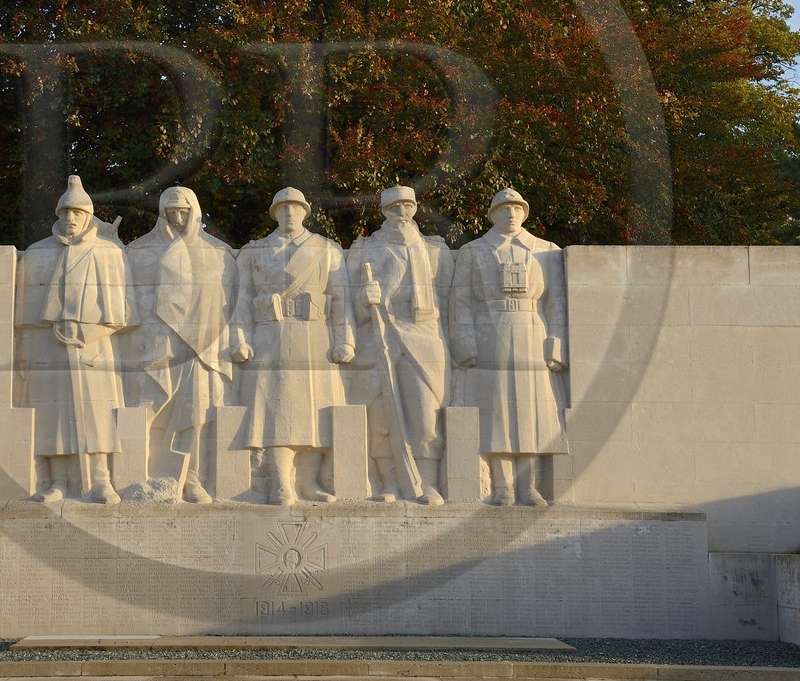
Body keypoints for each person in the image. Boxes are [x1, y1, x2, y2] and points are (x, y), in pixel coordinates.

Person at [232, 188, 355, 505]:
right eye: (283, 207)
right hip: (271, 335)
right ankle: (281, 484)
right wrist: (240, 339)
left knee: (315, 414)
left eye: (295, 207)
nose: (289, 212)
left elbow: (341, 301)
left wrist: (345, 339)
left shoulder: (326, 250)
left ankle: (309, 483)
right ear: (274, 213)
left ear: (305, 211)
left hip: (314, 336)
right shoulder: (255, 252)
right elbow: (242, 301)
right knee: (278, 411)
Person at [15, 175, 133, 504]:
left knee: (97, 413)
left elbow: (122, 312)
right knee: (52, 414)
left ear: (88, 216)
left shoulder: (107, 253)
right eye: (65, 213)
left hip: (93, 345)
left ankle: (101, 480)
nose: (70, 219)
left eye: (77, 213)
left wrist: (88, 331)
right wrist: (24, 350)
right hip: (48, 347)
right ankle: (56, 482)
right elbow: (23, 314)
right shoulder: (37, 254)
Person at [450, 188, 568, 506]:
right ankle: (502, 485)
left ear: (524, 213)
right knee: (497, 409)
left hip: (532, 330)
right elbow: (460, 301)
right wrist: (465, 343)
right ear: (493, 215)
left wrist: (555, 346)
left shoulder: (547, 251)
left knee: (532, 411)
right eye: (504, 209)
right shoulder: (473, 251)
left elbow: (556, 303)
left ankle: (528, 486)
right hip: (492, 330)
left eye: (516, 208)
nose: (511, 213)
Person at [125, 186, 235, 504]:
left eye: (183, 211)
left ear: (194, 212)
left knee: (196, 415)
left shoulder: (218, 253)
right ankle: (137, 478)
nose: (177, 217)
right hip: (156, 346)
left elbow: (229, 305)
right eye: (170, 211)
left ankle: (194, 480)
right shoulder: (139, 251)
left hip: (199, 348)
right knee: (145, 409)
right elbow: (128, 300)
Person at [348, 186, 451, 504]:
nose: (401, 212)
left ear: (415, 208)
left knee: (424, 414)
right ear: (383, 212)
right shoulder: (365, 249)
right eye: (394, 207)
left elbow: (448, 301)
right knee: (380, 416)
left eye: (407, 206)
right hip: (379, 335)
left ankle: (429, 483)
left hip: (421, 336)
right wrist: (365, 299)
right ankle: (390, 482)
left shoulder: (434, 250)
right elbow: (347, 301)